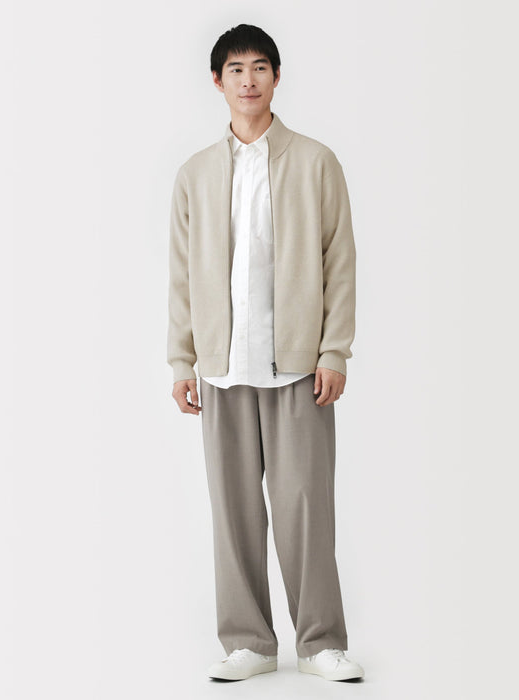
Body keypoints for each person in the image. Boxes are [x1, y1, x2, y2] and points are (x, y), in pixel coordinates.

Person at [167, 23, 363, 683]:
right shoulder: (195, 174)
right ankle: (249, 642)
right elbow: (180, 276)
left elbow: (340, 262)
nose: (248, 80)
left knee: (305, 507)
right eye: (235, 69)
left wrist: (334, 350)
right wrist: (182, 361)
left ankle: (320, 642)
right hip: (221, 370)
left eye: (259, 67)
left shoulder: (316, 162)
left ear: (277, 77)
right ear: (217, 81)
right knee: (233, 513)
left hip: (299, 369)